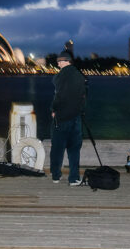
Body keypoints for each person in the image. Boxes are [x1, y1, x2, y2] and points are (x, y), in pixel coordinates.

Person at [50, 50, 86, 186]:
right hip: (76, 117)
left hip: (61, 118)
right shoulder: (80, 76)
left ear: (67, 61)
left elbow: (59, 96)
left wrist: (53, 109)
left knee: (57, 148)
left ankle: (56, 175)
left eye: (60, 61)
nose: (58, 64)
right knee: (74, 149)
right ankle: (74, 178)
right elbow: (83, 97)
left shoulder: (60, 77)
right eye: (58, 61)